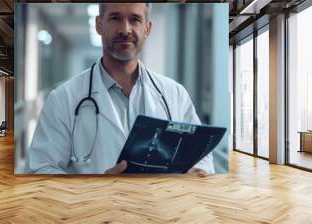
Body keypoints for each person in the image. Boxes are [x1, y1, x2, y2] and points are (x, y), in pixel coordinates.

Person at [27, 3, 214, 176]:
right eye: (115, 18)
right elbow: (40, 170)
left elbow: (203, 158)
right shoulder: (63, 98)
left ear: (147, 28)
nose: (125, 29)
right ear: (99, 25)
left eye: (135, 19)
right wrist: (96, 190)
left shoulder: (175, 94)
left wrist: (187, 178)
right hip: (94, 211)